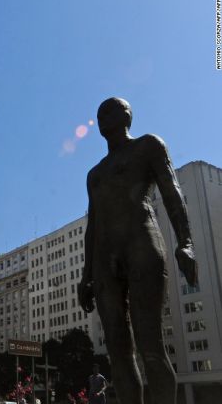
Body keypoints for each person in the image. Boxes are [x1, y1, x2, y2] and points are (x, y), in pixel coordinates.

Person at [78, 97, 198, 404]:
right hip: (106, 259)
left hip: (141, 244)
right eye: (100, 112)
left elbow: (173, 192)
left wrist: (185, 241)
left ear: (128, 116)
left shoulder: (148, 146)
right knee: (117, 350)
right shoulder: (95, 174)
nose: (103, 114)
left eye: (111, 109)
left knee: (150, 344)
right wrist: (86, 274)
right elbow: (94, 225)